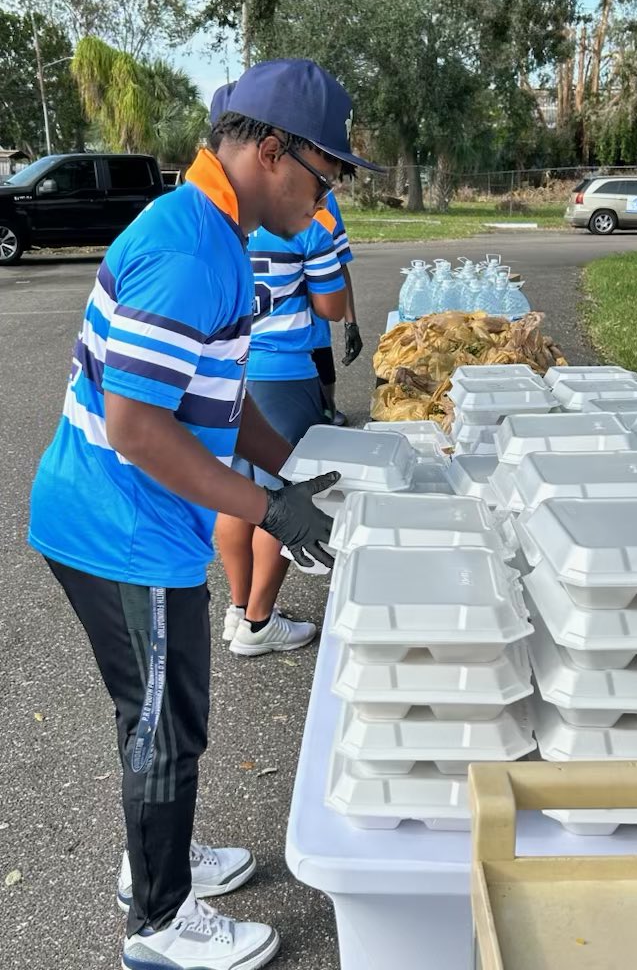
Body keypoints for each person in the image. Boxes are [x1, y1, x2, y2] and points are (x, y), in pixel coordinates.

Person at [27, 58, 381, 970]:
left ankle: (156, 859)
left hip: (131, 515)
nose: (328, 193)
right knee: (163, 724)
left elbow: (219, 403)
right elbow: (139, 430)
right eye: (325, 173)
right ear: (273, 151)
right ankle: (159, 923)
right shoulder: (193, 249)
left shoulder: (218, 232)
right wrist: (268, 509)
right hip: (123, 526)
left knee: (159, 717)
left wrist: (295, 467)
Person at [215, 185, 351, 656]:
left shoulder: (220, 204)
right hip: (283, 372)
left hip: (229, 368)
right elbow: (330, 307)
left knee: (235, 493)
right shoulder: (313, 214)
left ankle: (238, 610)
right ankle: (259, 622)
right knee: (284, 497)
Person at [310, 189, 363, 426]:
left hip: (315, 327)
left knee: (327, 412)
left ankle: (327, 407)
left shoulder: (325, 198)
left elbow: (340, 263)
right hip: (267, 343)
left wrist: (351, 323)